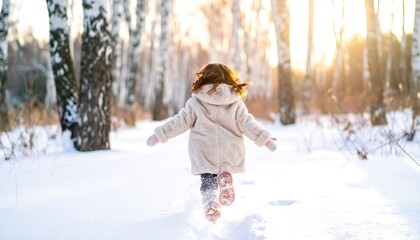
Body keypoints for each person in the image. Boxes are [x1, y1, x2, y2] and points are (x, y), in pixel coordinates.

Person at [146, 62, 277, 223]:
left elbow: (179, 122)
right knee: (223, 166)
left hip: (204, 150)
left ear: (204, 79)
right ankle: (225, 176)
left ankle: (210, 202)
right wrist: (266, 139)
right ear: (230, 80)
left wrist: (160, 135)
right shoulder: (236, 103)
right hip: (230, 149)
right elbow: (248, 124)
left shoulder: (196, 103)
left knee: (207, 179)